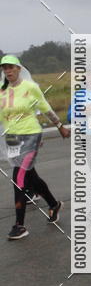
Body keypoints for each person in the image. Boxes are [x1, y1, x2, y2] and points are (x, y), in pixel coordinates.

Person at [0, 55, 70, 240]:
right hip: (13, 138)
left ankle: (19, 225)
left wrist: (59, 126)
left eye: (11, 68)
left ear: (18, 69)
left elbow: (45, 108)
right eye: (4, 68)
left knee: (19, 177)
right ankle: (54, 204)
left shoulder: (30, 88)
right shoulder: (2, 90)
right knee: (32, 178)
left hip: (31, 135)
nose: (8, 71)